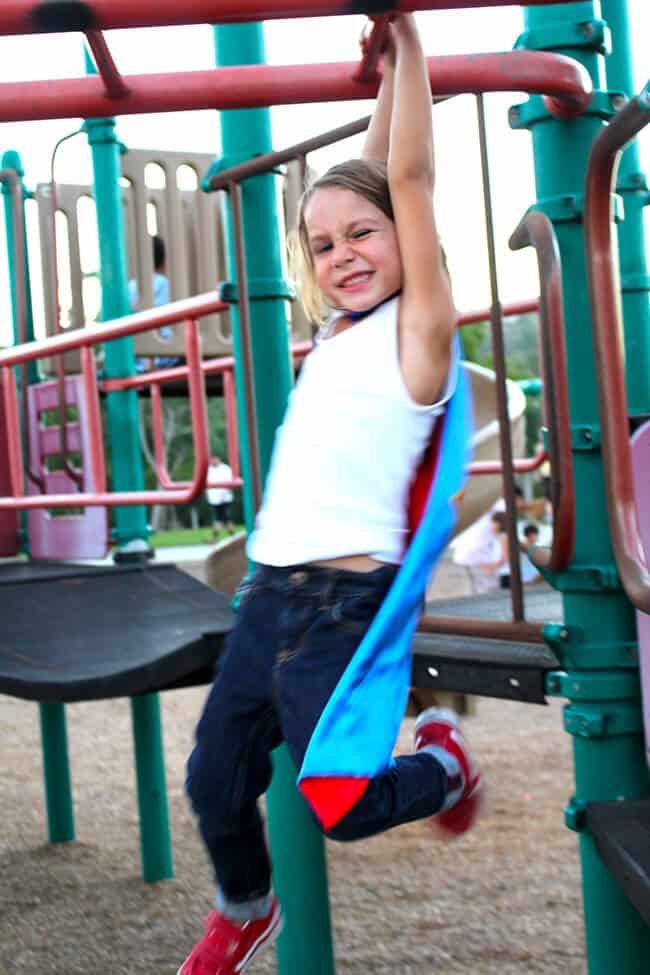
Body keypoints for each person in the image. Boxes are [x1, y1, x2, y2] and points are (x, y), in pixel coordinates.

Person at [178, 16, 482, 975]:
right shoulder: (336, 336)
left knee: (340, 803)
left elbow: (406, 177)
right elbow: (367, 171)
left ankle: (444, 761)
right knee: (212, 778)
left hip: (343, 609)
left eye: (364, 234)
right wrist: (383, 66)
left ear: (407, 242)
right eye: (322, 246)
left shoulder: (417, 337)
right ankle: (246, 905)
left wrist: (416, 44)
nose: (344, 254)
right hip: (268, 597)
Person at [128, 234, 181, 371]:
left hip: (134, 356)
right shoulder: (163, 283)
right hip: (162, 356)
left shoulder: (130, 286)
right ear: (164, 262)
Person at [205, 456, 235, 536]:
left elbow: (229, 482)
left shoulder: (225, 469)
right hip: (214, 498)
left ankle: (215, 534)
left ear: (219, 459)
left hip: (225, 497)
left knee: (221, 517)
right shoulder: (208, 470)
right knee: (223, 517)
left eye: (215, 459)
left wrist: (225, 492)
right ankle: (231, 532)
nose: (213, 461)